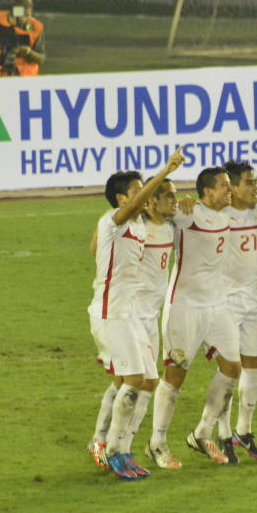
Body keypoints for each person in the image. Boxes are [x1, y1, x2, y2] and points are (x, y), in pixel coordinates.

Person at [87, 148, 186, 481]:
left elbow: (94, 250)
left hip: (130, 313)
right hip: (111, 312)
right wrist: (166, 170)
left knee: (147, 381)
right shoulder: (113, 220)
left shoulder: (138, 226)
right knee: (130, 381)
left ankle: (123, 449)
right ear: (120, 199)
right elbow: (124, 215)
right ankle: (110, 449)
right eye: (136, 190)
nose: (143, 195)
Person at [147, 167, 238, 467]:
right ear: (207, 192)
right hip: (184, 306)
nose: (230, 190)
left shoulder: (227, 213)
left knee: (232, 368)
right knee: (175, 376)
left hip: (216, 304)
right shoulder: (188, 214)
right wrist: (178, 203)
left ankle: (202, 432)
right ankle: (157, 443)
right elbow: (155, 209)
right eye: (224, 186)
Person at [214, 160, 257, 464]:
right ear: (232, 187)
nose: (256, 187)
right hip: (223, 303)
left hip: (253, 301)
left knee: (253, 363)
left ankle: (244, 430)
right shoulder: (217, 215)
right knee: (229, 370)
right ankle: (223, 433)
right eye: (249, 183)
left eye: (256, 181)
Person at [0, 0, 45, 77]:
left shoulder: (36, 27)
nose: (26, 19)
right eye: (24, 16)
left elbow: (41, 59)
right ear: (15, 13)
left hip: (25, 77)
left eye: (28, 16)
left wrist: (28, 52)